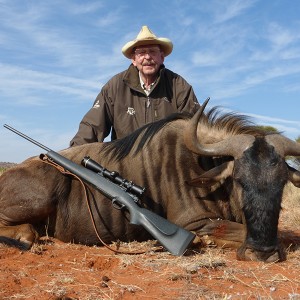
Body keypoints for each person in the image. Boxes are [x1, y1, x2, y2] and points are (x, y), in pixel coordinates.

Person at [70, 25, 200, 146]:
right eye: (141, 52)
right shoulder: (114, 87)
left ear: (162, 57)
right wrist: (71, 157)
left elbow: (198, 129)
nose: (147, 57)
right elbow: (92, 127)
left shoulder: (179, 86)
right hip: (124, 166)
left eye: (153, 52)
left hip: (167, 166)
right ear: (134, 59)